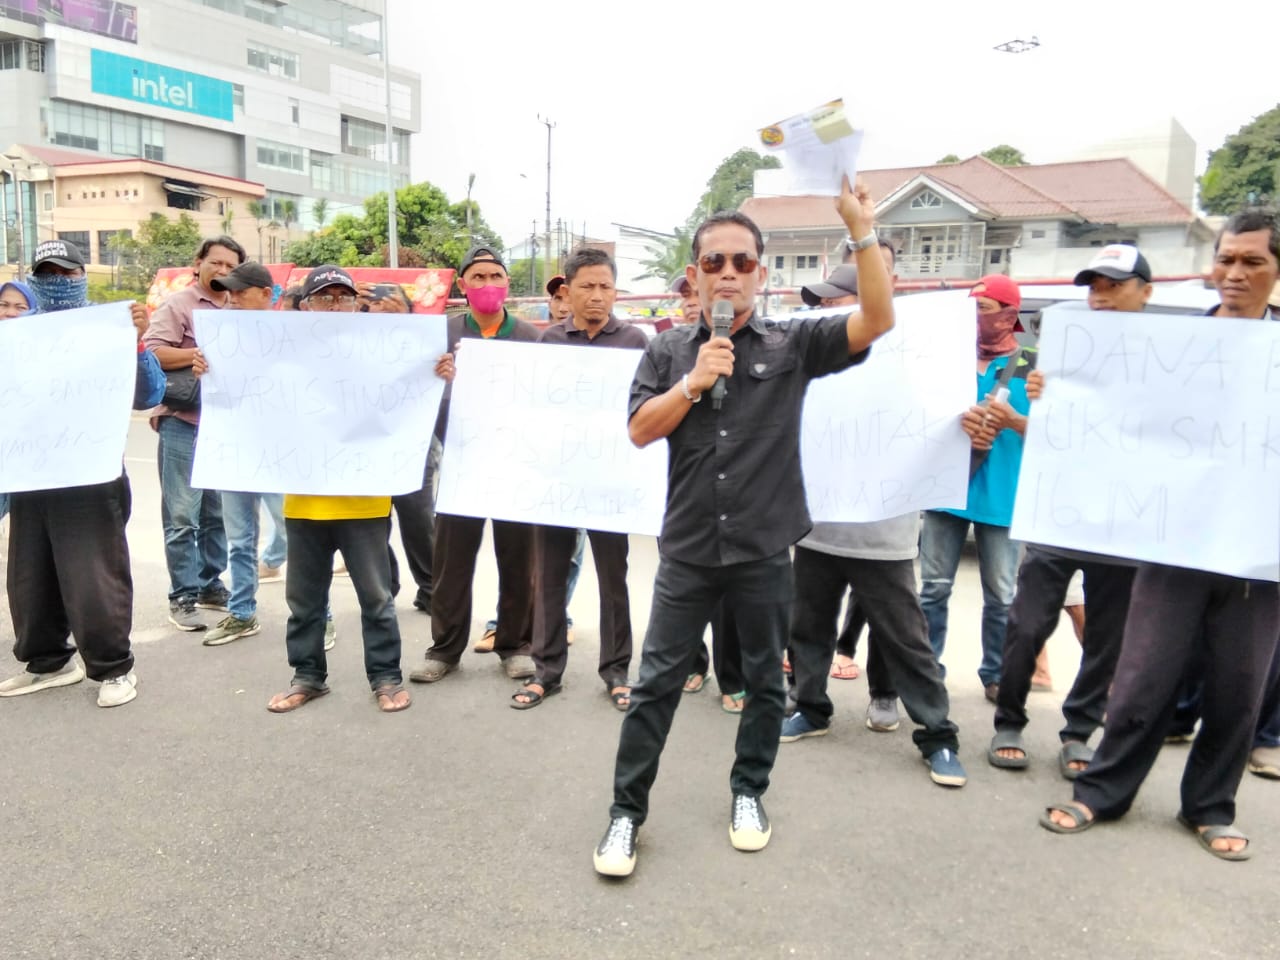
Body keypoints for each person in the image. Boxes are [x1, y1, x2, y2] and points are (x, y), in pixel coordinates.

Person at [593, 177, 894, 878]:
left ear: (761, 273)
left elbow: (876, 319)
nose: (727, 273)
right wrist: (693, 383)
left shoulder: (793, 345)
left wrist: (862, 231)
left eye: (741, 261)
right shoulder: (668, 352)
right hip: (691, 550)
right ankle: (625, 814)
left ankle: (749, 792)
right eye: (713, 262)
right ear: (694, 275)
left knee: (765, 682)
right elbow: (641, 431)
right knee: (657, 683)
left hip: (763, 550)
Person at [1041, 211, 1280, 860]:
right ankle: (1101, 792)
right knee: (1145, 674)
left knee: (1239, 686)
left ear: (1276, 272)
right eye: (1226, 259)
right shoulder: (1169, 350)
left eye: (1252, 262)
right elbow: (1110, 417)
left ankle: (1210, 807)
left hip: (1260, 554)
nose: (1234, 274)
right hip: (1173, 542)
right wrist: (1053, 393)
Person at [780, 259, 966, 788]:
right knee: (808, 628)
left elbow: (946, 436)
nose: (819, 311)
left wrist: (972, 434)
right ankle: (810, 707)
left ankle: (938, 734)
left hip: (884, 536)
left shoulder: (914, 365)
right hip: (817, 528)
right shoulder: (810, 365)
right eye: (818, 303)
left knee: (906, 640)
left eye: (831, 301)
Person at [989, 245, 1152, 776]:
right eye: (1093, 285)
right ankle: (1009, 721)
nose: (1100, 295)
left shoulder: (1167, 359)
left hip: (1121, 521)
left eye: (1114, 285)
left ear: (1145, 293)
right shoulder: (1057, 354)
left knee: (1107, 636)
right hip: (1058, 512)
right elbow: (1050, 433)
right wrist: (1034, 404)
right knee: (1028, 623)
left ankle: (1079, 729)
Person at [266, 266, 451, 714]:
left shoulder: (379, 356)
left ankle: (385, 677)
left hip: (364, 500)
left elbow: (411, 390)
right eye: (324, 299)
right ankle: (307, 676)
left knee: (376, 598)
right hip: (304, 500)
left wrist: (437, 371)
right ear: (305, 306)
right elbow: (249, 390)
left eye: (343, 298)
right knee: (304, 602)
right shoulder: (283, 356)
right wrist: (212, 368)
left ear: (357, 305)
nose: (334, 306)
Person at [0, 240, 165, 708]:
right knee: (30, 578)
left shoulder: (111, 325)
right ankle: (48, 662)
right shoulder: (17, 334)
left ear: (81, 277)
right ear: (34, 279)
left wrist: (136, 344)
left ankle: (114, 669)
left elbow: (148, 394)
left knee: (94, 576)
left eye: (66, 273)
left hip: (91, 475)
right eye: (47, 273)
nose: (57, 281)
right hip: (33, 474)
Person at [512, 248, 648, 711]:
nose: (596, 296)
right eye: (586, 287)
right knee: (548, 575)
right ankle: (546, 671)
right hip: (559, 480)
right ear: (566, 293)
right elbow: (528, 406)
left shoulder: (635, 343)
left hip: (611, 480)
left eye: (605, 287)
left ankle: (616, 671)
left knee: (615, 578)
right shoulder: (548, 342)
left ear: (615, 291)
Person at [409, 246, 539, 684]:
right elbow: (416, 398)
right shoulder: (440, 335)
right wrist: (440, 380)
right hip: (461, 461)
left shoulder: (528, 336)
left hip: (514, 464)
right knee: (451, 560)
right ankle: (444, 649)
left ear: (507, 284)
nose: (487, 285)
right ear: (463, 286)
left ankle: (515, 644)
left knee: (519, 558)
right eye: (478, 277)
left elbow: (543, 397)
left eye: (495, 276)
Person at [919, 274, 1032, 703]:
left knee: (1002, 595)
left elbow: (1057, 431)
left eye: (981, 310)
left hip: (1004, 495)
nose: (973, 319)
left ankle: (997, 673)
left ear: (1009, 314)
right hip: (947, 490)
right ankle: (928, 666)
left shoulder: (1033, 364)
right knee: (933, 587)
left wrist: (1012, 423)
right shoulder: (950, 357)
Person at [144, 235, 247, 631]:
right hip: (183, 421)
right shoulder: (179, 304)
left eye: (230, 267)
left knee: (216, 514)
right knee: (182, 515)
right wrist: (200, 353)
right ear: (198, 262)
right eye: (216, 263)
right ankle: (182, 595)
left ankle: (209, 585)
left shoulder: (239, 306)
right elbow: (152, 351)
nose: (222, 271)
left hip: (224, 425)